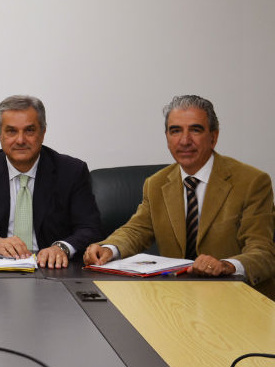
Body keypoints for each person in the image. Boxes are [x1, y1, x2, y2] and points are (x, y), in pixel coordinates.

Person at [84, 95, 275, 297]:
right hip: (177, 298)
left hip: (237, 297)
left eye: (195, 130)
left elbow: (264, 252)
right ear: (167, 137)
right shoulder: (156, 184)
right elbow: (136, 230)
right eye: (175, 131)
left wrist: (227, 265)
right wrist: (109, 248)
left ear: (214, 137)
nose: (184, 141)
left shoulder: (252, 182)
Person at [0, 95, 102, 268]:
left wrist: (62, 248)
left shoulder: (72, 172)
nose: (20, 140)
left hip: (54, 269)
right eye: (11, 131)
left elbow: (91, 229)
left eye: (29, 130)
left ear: (43, 132)